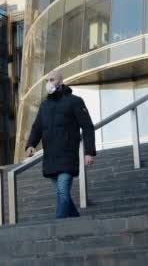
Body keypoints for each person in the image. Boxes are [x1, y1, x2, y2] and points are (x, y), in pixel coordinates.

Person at [25, 71, 96, 219]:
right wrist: (30, 144)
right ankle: (77, 220)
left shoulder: (74, 101)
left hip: (68, 155)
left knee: (62, 191)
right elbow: (37, 127)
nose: (49, 82)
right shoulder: (45, 105)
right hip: (50, 157)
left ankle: (59, 224)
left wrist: (89, 152)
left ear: (61, 81)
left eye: (52, 79)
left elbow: (87, 126)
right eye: (47, 80)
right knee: (62, 193)